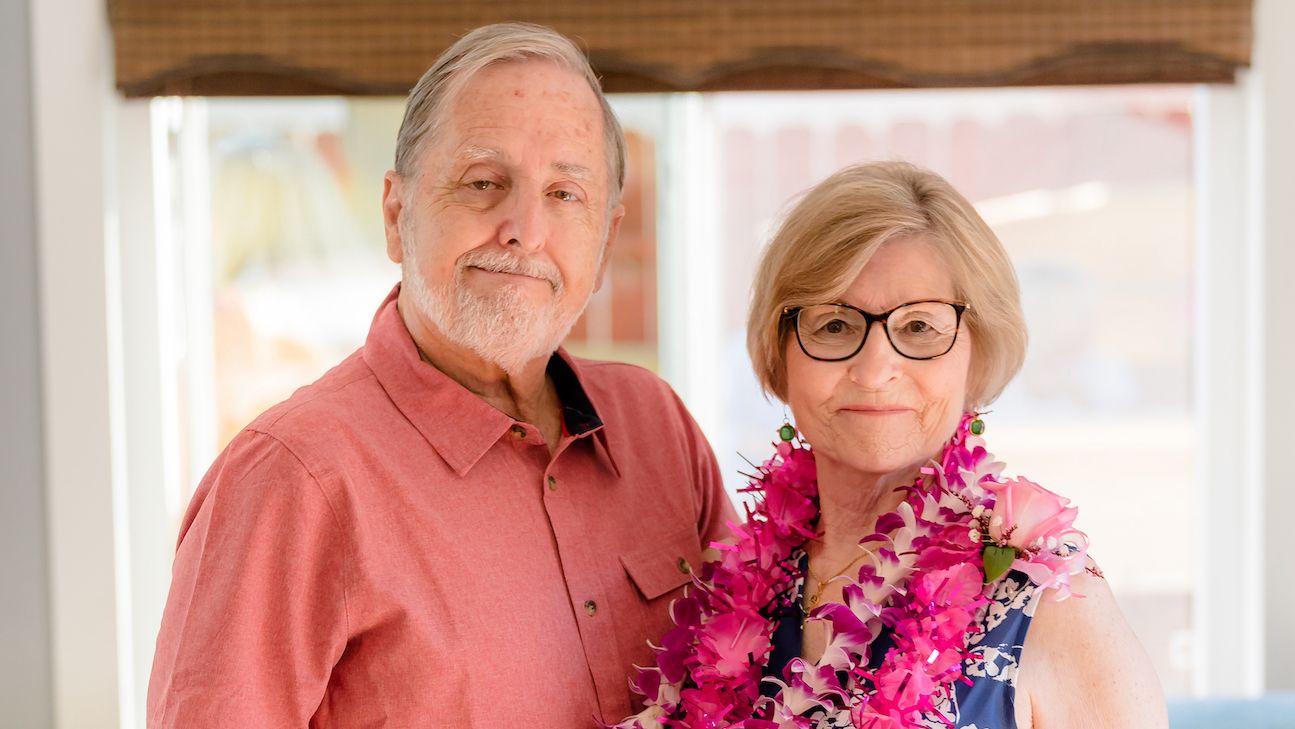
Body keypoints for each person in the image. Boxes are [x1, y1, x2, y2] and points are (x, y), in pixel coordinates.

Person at [147, 22, 736, 728]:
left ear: (606, 240)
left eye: (565, 194)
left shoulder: (657, 427)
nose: (524, 228)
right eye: (483, 182)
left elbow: (747, 682)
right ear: (397, 214)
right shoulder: (290, 480)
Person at [615, 162, 1166, 728]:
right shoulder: (735, 588)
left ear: (977, 354)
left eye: (920, 328)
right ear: (780, 355)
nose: (875, 370)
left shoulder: (1047, 594)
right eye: (834, 325)